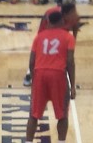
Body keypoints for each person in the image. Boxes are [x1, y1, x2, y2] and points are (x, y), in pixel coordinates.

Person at [25, 11, 76, 143]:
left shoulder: (39, 37)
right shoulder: (68, 37)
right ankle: (61, 141)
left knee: (34, 114)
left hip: (40, 74)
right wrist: (73, 84)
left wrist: (35, 79)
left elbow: (31, 61)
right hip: (58, 75)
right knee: (62, 114)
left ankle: (29, 141)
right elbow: (70, 61)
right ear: (61, 21)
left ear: (48, 22)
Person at [23, 2, 79, 86]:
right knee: (42, 51)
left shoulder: (74, 17)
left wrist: (73, 40)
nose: (76, 14)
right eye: (73, 11)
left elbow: (75, 26)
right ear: (66, 14)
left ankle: (62, 74)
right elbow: (45, 28)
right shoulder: (52, 14)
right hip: (46, 28)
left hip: (61, 31)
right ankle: (29, 74)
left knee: (61, 54)